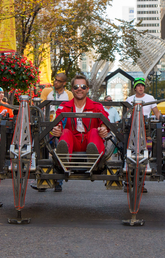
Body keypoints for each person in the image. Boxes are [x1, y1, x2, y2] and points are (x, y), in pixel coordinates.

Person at [31, 73, 73, 192]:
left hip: (61, 126)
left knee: (59, 152)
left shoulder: (69, 94)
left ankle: (58, 182)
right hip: (47, 125)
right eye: (55, 80)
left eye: (59, 81)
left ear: (64, 83)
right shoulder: (47, 91)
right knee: (43, 152)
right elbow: (41, 106)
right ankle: (42, 179)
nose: (56, 82)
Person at [52, 74, 109, 160]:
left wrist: (103, 128)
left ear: (87, 89)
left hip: (90, 141)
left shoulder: (96, 106)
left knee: (94, 131)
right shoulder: (64, 106)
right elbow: (58, 121)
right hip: (72, 143)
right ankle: (63, 158)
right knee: (66, 132)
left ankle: (94, 159)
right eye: (76, 87)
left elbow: (104, 118)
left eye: (83, 86)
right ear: (72, 89)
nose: (79, 89)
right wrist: (57, 129)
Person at [125, 77, 161, 193]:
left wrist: (160, 121)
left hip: (146, 129)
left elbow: (156, 113)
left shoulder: (150, 98)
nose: (141, 87)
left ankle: (141, 183)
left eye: (142, 86)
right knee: (128, 153)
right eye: (139, 85)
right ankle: (127, 182)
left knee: (144, 154)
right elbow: (127, 114)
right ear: (135, 88)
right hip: (132, 129)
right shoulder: (130, 99)